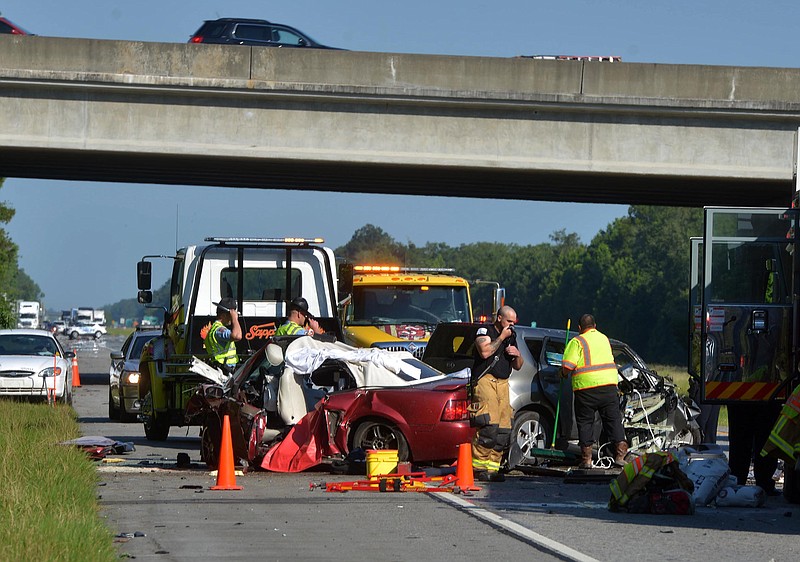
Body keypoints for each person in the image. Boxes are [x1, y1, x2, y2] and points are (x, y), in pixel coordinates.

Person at [561, 313, 627, 469]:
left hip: (586, 389)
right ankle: (620, 457)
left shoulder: (577, 341)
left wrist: (562, 374)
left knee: (585, 423)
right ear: (595, 326)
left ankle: (587, 460)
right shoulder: (604, 338)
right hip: (609, 387)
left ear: (579, 328)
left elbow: (567, 366)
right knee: (613, 421)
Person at [470, 305, 524, 482]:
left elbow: (518, 365)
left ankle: (492, 468)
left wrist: (516, 354)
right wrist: (501, 337)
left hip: (503, 384)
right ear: (499, 318)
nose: (511, 325)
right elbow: (485, 352)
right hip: (486, 381)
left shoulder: (511, 336)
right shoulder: (485, 331)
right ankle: (478, 467)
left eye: (514, 322)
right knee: (489, 426)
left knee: (503, 430)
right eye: (509, 321)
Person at [203, 297, 242, 375]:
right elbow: (237, 336)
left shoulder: (215, 328)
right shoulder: (219, 330)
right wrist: (235, 319)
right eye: (230, 316)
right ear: (224, 315)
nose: (231, 319)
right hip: (224, 370)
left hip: (223, 369)